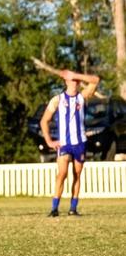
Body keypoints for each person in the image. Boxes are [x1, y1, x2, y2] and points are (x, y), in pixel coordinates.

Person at [40, 68, 100, 217]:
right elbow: (44, 121)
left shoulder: (82, 97)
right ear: (66, 81)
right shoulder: (58, 99)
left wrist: (76, 75)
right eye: (71, 79)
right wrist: (49, 141)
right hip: (65, 143)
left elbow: (95, 80)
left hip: (80, 143)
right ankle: (54, 208)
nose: (75, 82)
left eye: (77, 80)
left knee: (77, 175)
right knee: (62, 174)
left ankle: (73, 208)